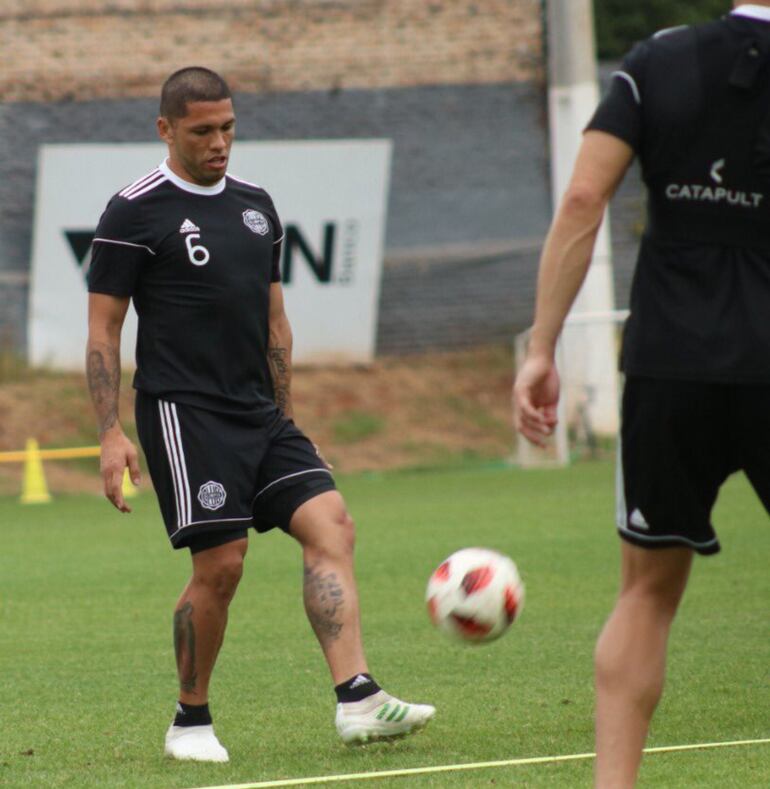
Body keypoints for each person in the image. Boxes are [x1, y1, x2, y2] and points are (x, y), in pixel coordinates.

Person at [86, 66, 434, 763]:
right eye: (202, 131)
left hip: (261, 413)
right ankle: (190, 720)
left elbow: (276, 320)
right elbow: (103, 330)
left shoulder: (256, 206)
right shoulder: (134, 209)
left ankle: (358, 698)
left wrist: (287, 419)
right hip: (184, 414)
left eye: (228, 128)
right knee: (223, 565)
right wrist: (110, 431)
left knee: (332, 522)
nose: (220, 143)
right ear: (166, 129)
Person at [514, 3, 770, 787]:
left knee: (648, 592)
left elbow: (584, 201)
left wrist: (541, 347)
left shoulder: (658, 59)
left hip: (668, 366)